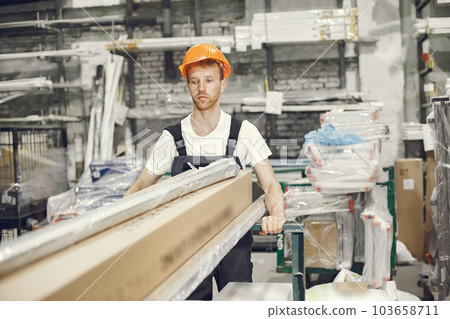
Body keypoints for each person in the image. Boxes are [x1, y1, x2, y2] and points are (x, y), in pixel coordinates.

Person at [124, 43, 286, 300]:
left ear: (222, 84)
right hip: (185, 247)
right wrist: (118, 224)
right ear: (187, 86)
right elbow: (139, 188)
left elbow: (271, 186)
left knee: (239, 306)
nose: (202, 88)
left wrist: (276, 214)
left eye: (209, 80)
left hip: (234, 243)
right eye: (195, 81)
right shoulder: (171, 138)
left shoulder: (243, 132)